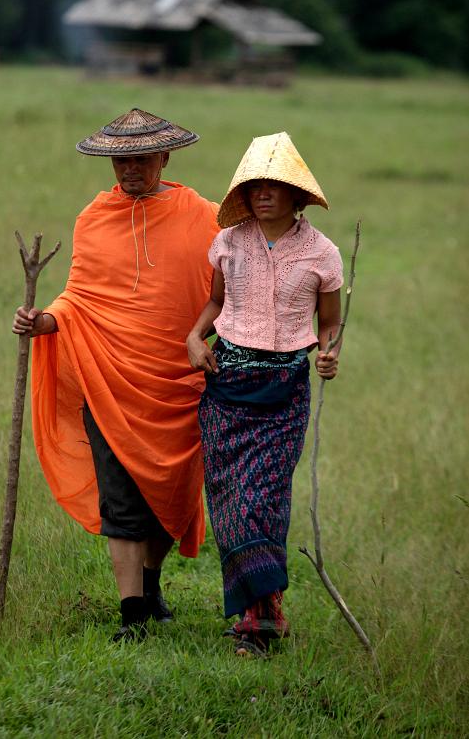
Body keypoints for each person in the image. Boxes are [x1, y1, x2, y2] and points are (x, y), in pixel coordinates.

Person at [13, 108, 219, 641]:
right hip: (106, 378)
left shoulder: (204, 215)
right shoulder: (92, 219)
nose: (130, 170)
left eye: (141, 159)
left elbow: (231, 283)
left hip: (178, 383)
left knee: (172, 496)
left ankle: (150, 587)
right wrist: (45, 321)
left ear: (164, 158)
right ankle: (132, 617)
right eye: (121, 161)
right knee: (122, 502)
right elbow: (80, 296)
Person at [186, 132, 343, 657]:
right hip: (226, 389)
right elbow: (214, 304)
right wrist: (193, 338)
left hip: (284, 395)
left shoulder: (323, 253)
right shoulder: (229, 242)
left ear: (297, 195)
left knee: (264, 501)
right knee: (230, 502)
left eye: (276, 187)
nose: (265, 195)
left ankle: (260, 617)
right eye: (256, 187)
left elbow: (330, 324)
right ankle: (262, 617)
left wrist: (328, 353)